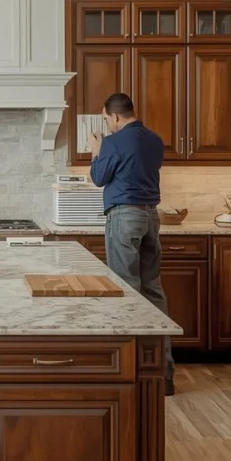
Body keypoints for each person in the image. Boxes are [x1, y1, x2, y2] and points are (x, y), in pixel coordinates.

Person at [87, 92, 174, 395]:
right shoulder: (155, 140)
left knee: (126, 290)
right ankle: (162, 373)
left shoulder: (113, 142)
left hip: (124, 217)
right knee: (153, 289)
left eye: (106, 119)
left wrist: (96, 151)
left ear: (113, 116)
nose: (107, 125)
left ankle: (130, 373)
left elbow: (98, 177)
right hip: (151, 217)